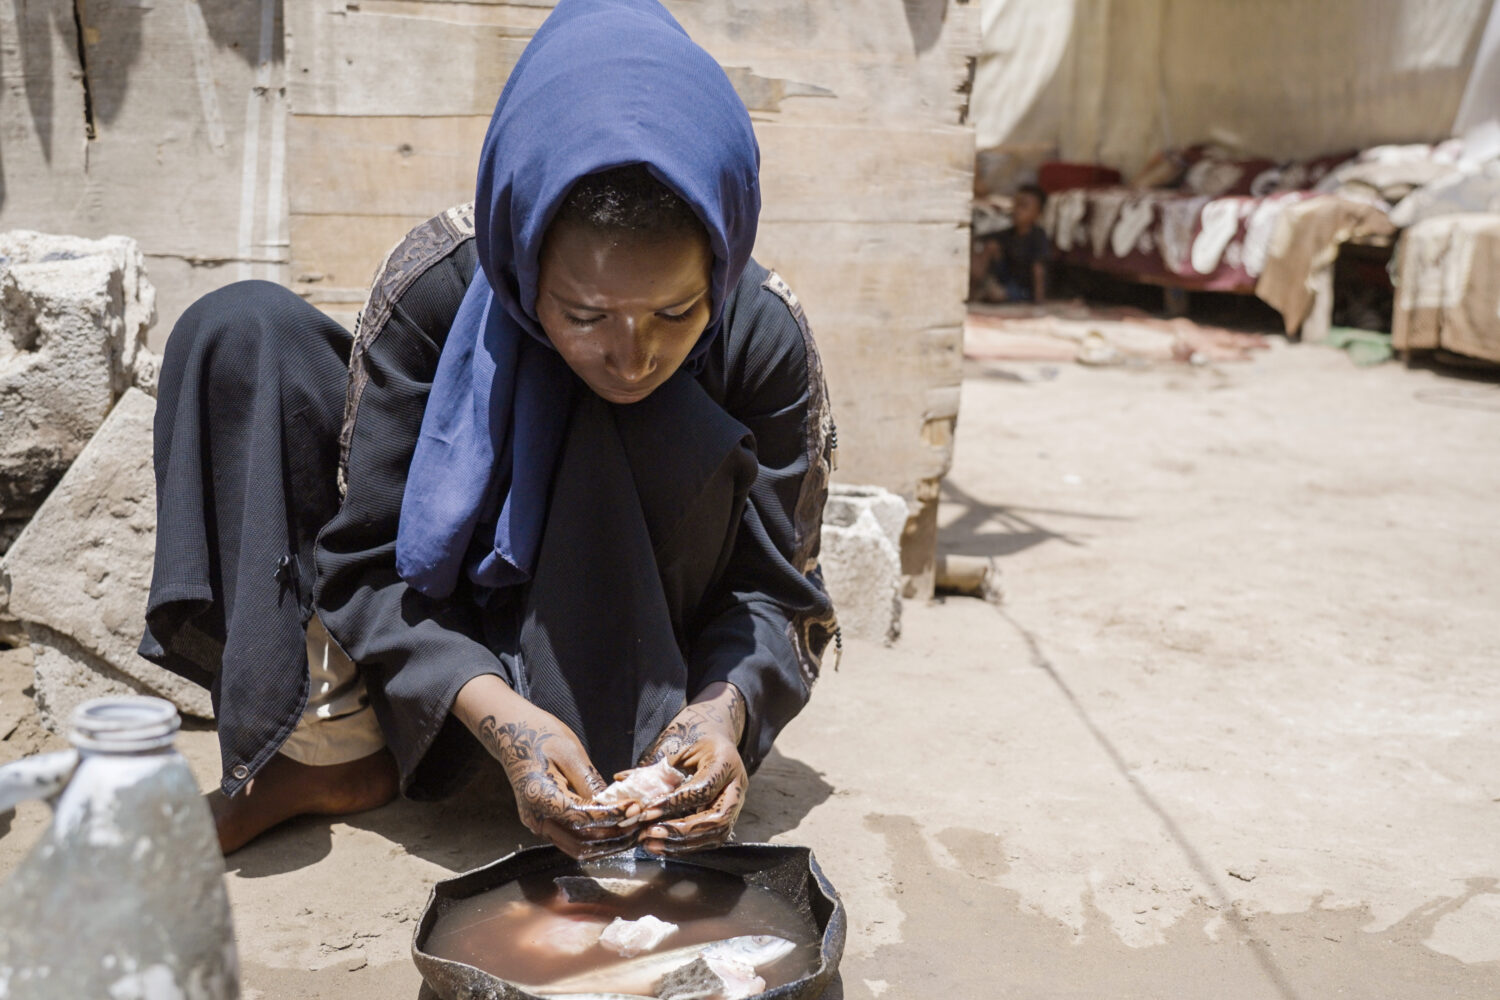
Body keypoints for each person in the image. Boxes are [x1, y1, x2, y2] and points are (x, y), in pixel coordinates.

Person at [138, 0, 837, 860]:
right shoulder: (436, 286)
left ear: (722, 260)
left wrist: (720, 710)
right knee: (241, 331)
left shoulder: (762, 331)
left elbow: (776, 592)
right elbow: (364, 557)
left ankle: (634, 766)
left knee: (633, 418)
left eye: (677, 310)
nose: (631, 352)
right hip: (450, 655)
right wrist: (506, 724)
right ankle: (330, 750)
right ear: (522, 255)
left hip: (644, 671)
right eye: (583, 313)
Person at [986, 183, 1051, 302]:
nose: (1017, 210)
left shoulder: (1038, 236)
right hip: (1008, 281)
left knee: (997, 295)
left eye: (1024, 206)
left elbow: (1038, 269)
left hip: (1025, 289)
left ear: (1038, 213)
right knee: (991, 246)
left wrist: (1039, 301)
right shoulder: (1008, 233)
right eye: (1016, 205)